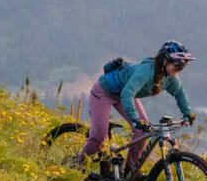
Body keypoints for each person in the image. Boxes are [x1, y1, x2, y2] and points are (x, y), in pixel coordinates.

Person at [78, 41, 197, 173]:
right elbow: (128, 93)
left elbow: (179, 93)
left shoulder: (170, 77)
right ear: (164, 61)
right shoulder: (147, 71)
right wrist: (134, 118)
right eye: (178, 65)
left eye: (183, 66)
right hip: (104, 91)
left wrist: (187, 112)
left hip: (124, 94)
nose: (180, 69)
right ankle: (77, 168)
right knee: (98, 137)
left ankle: (130, 170)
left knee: (143, 130)